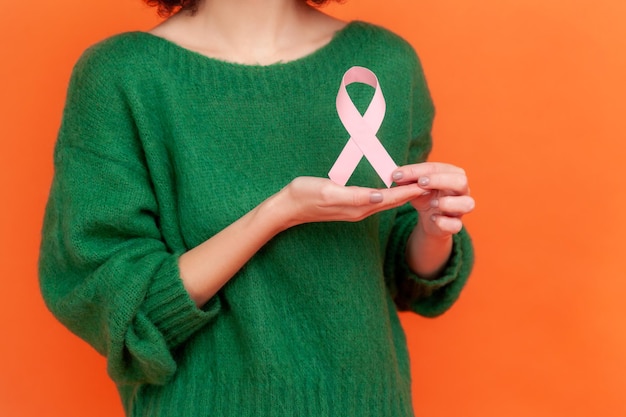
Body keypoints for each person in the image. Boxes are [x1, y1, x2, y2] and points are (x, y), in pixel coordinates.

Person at [39, 0, 475, 416]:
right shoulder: (122, 77)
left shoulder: (386, 61)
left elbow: (402, 280)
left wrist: (431, 229)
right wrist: (278, 213)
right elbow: (121, 308)